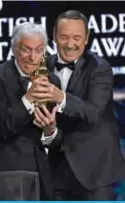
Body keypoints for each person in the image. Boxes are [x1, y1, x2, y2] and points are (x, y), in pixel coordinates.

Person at [33, 10, 125, 200]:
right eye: (64, 37)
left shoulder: (100, 68)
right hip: (56, 171)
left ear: (86, 39)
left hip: (95, 172)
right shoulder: (43, 66)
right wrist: (48, 129)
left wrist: (61, 97)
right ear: (54, 36)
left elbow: (93, 113)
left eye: (77, 37)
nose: (70, 44)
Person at [0, 22, 61, 200]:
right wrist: (28, 99)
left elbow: (57, 139)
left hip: (42, 176)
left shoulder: (52, 81)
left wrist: (50, 130)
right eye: (26, 50)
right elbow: (3, 128)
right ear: (14, 49)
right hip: (5, 173)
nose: (32, 57)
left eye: (39, 50)